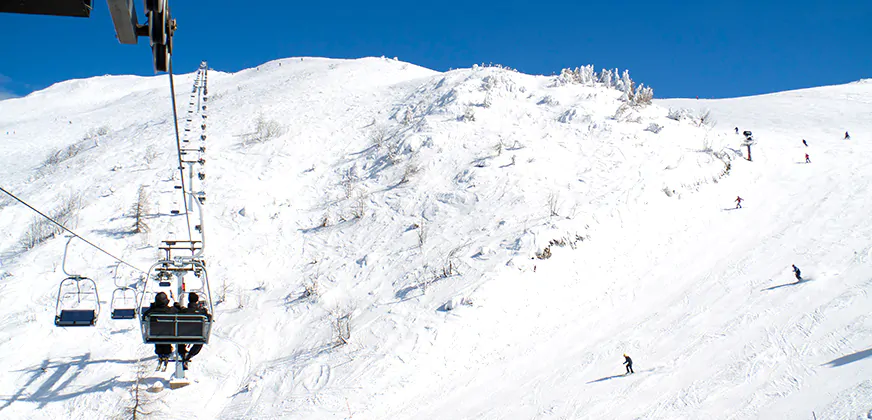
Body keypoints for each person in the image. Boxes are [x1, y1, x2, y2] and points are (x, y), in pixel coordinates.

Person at [142, 292, 177, 369]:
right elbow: (178, 312)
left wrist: (152, 307)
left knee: (158, 331)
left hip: (154, 335)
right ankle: (166, 351)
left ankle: (161, 352)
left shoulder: (151, 312)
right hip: (170, 334)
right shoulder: (171, 310)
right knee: (165, 332)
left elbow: (144, 317)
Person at [177, 292, 208, 369]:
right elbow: (209, 318)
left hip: (182, 335)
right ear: (197, 301)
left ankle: (183, 353)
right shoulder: (201, 312)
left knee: (178, 339)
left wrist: (178, 307)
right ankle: (189, 355)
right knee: (200, 341)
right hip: (197, 335)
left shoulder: (183, 311)